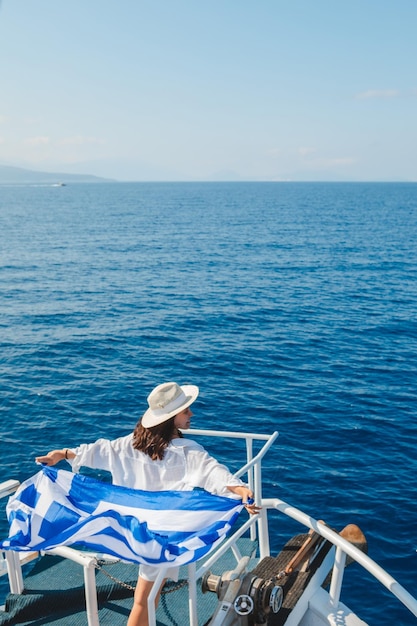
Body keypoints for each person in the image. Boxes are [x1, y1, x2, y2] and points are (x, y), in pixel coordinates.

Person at [36, 382, 259, 626]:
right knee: (144, 599)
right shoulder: (187, 452)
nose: (191, 414)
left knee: (147, 597)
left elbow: (98, 451)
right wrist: (239, 489)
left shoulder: (130, 444)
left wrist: (64, 453)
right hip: (162, 535)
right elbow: (212, 472)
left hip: (133, 529)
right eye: (186, 411)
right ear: (171, 418)